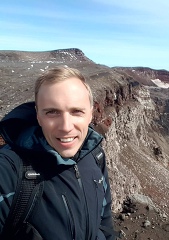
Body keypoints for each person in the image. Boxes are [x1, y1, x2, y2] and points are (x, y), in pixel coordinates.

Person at [0, 66, 115, 240]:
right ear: (38, 116)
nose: (66, 127)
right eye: (52, 112)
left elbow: (105, 224)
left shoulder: (96, 156)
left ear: (91, 114)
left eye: (77, 111)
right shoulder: (9, 170)